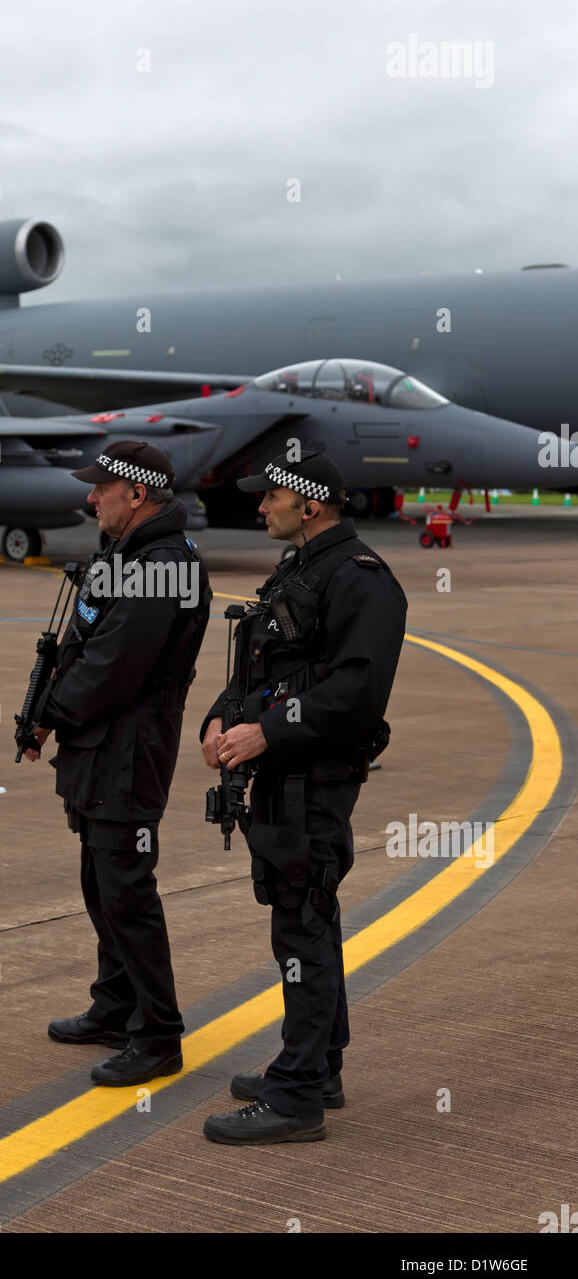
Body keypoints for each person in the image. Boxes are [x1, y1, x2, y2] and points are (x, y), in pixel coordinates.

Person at [199, 448, 407, 1144]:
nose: (260, 507)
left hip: (315, 779)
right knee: (306, 916)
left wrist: (266, 735)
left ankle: (296, 1100)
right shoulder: (303, 570)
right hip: (287, 776)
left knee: (302, 921)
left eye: (270, 497)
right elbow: (267, 663)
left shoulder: (361, 581)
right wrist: (222, 716)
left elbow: (355, 693)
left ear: (309, 504)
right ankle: (317, 1066)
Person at [26, 440, 212, 1087]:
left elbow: (113, 668)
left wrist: (49, 713)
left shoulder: (163, 565)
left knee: (126, 891)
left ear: (136, 494)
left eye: (100, 487)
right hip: (102, 749)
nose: (89, 496)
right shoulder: (133, 556)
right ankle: (115, 1004)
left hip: (126, 751)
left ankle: (158, 1033)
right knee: (100, 883)